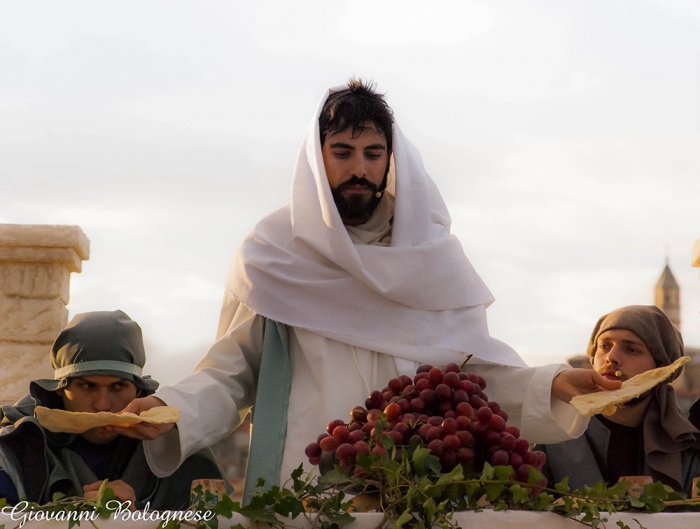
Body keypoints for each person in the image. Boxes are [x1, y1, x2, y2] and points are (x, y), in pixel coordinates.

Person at [116, 80, 619, 498]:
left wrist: (550, 384)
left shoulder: (432, 261)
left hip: (421, 492)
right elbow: (231, 373)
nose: (359, 168)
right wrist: (174, 409)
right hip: (306, 492)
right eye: (343, 152)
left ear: (390, 160)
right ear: (318, 159)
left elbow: (470, 378)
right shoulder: (274, 257)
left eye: (372, 153)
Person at [0, 310, 228, 509]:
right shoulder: (17, 449)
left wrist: (137, 522)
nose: (102, 405)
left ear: (139, 391)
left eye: (118, 387)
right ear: (60, 389)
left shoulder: (180, 451)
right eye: (87, 386)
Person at [537, 305, 700, 496]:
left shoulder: (687, 443)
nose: (611, 358)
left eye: (631, 349)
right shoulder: (550, 433)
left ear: (660, 368)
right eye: (604, 346)